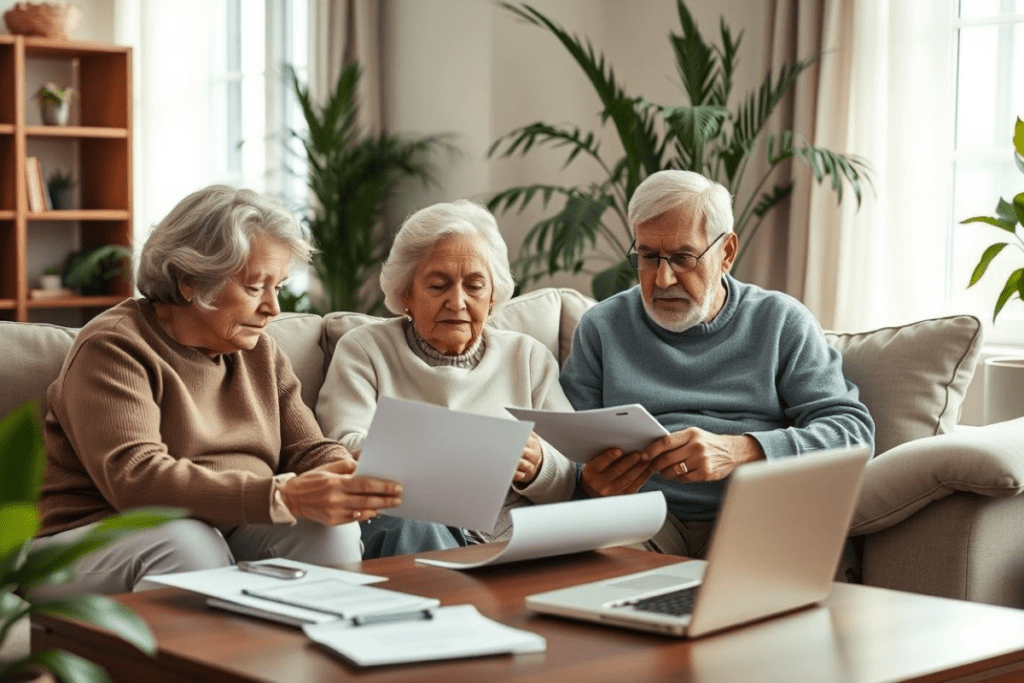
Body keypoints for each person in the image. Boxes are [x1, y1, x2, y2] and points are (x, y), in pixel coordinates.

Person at [33, 185, 402, 598]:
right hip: (97, 537)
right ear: (191, 281)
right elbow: (136, 480)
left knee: (326, 531)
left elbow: (310, 450)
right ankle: (194, 663)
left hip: (225, 526)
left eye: (277, 287)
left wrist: (348, 477)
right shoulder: (114, 346)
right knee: (187, 543)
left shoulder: (259, 350)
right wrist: (281, 496)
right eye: (254, 287)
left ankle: (307, 656)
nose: (273, 308)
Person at [559, 169, 874, 558]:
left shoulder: (780, 322)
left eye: (682, 257)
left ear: (726, 253)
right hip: (639, 517)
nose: (663, 278)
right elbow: (566, 449)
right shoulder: (602, 327)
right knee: (597, 580)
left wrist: (742, 450)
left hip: (755, 514)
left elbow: (853, 433)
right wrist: (588, 484)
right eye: (647, 256)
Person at [316, 199, 576, 556]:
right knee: (414, 523)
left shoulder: (527, 357)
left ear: (492, 296)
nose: (457, 302)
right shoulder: (365, 350)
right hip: (412, 520)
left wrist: (539, 466)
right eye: (438, 285)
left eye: (474, 286)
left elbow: (574, 472)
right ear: (406, 292)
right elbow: (341, 449)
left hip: (509, 534)